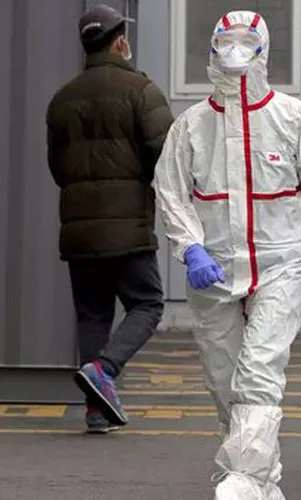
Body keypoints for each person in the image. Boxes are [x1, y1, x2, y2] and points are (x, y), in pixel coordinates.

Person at [152, 10, 301, 499]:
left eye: (246, 41)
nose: (235, 50)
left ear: (264, 50)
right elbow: (170, 190)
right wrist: (190, 246)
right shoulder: (191, 126)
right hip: (215, 268)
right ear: (212, 48)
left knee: (260, 370)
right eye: (226, 40)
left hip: (283, 263)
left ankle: (242, 474)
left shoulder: (293, 118)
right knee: (224, 378)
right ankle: (260, 479)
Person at [46, 4, 173, 434]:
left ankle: (97, 411)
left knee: (93, 315)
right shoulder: (142, 91)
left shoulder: (61, 100)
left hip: (79, 230)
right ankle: (105, 369)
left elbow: (58, 169)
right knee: (148, 304)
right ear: (119, 43)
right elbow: (166, 157)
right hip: (128, 228)